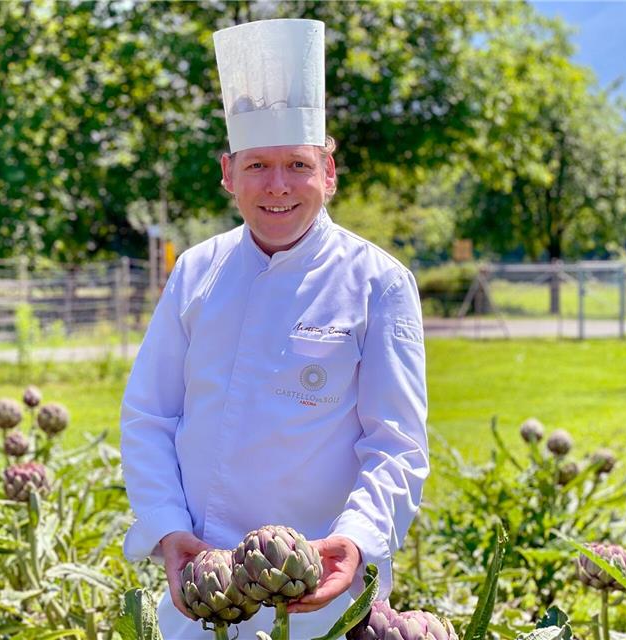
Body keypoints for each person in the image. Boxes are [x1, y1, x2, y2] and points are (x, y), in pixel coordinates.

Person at [120, 18, 429, 639]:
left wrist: (357, 541)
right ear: (228, 173)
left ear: (329, 172)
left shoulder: (380, 282)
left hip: (322, 596)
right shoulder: (195, 273)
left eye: (298, 164)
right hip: (199, 589)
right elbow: (149, 417)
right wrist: (168, 530)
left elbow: (396, 443)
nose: (279, 185)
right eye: (258, 165)